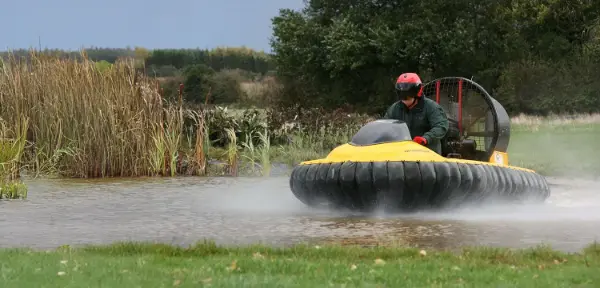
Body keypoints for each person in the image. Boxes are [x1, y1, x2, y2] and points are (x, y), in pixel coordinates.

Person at [382, 72, 449, 154]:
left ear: (418, 93)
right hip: (402, 153)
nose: (405, 99)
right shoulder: (395, 108)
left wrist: (426, 138)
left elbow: (441, 126)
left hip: (428, 154)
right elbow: (384, 126)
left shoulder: (431, 107)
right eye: (402, 96)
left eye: (408, 96)